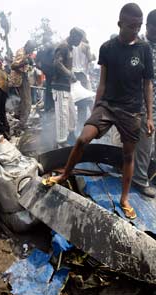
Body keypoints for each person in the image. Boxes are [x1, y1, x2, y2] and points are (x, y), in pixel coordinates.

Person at [48, 3, 154, 219]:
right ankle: (64, 174)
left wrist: (150, 116)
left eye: (138, 26)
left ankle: (124, 199)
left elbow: (147, 84)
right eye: (131, 26)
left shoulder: (144, 50)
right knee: (82, 139)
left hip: (132, 111)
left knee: (128, 155)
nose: (135, 30)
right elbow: (103, 83)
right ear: (120, 23)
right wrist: (96, 109)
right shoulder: (107, 48)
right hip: (107, 105)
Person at [132, 10, 156, 197]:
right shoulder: (138, 46)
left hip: (153, 104)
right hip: (136, 104)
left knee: (148, 146)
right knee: (140, 144)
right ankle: (139, 180)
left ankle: (145, 175)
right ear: (148, 27)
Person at [51, 27, 84, 148]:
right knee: (62, 115)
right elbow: (57, 63)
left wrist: (71, 74)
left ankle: (70, 134)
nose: (79, 42)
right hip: (60, 87)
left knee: (71, 113)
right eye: (79, 39)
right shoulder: (64, 46)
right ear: (73, 35)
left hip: (66, 86)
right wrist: (69, 73)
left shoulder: (69, 48)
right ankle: (61, 142)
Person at [10, 40, 36, 129]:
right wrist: (25, 62)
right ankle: (22, 123)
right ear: (27, 46)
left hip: (23, 77)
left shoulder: (26, 52)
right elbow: (13, 66)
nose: (32, 51)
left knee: (24, 101)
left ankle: (19, 116)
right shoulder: (21, 53)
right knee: (27, 102)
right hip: (21, 78)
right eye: (32, 49)